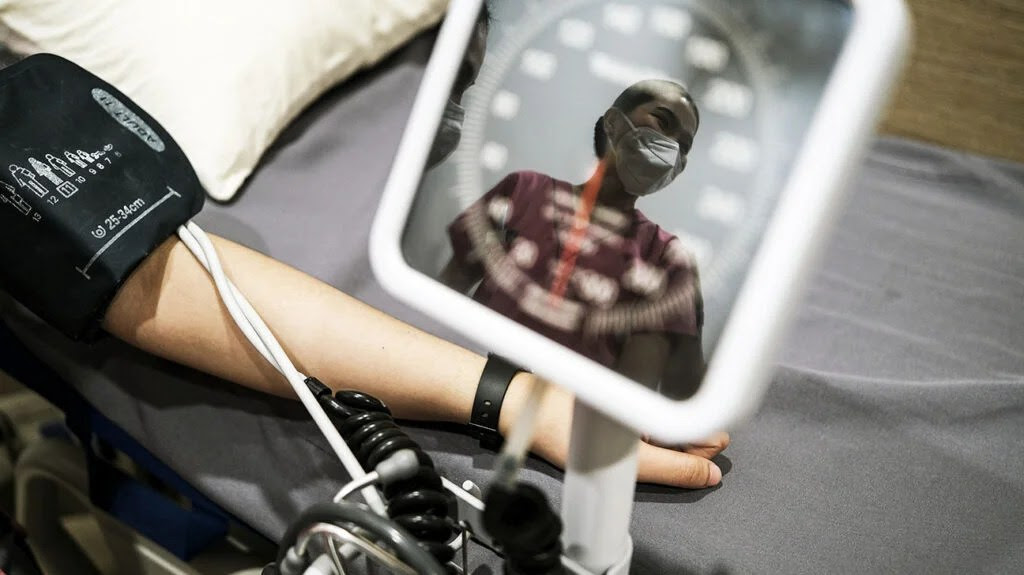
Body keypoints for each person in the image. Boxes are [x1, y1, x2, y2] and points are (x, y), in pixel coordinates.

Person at [13, 6, 728, 489]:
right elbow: (145, 271)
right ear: (608, 126)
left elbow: (662, 375)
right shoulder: (527, 192)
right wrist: (519, 402)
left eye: (676, 141)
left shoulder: (670, 259)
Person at [441, 79, 706, 395]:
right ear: (613, 122)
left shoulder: (663, 257)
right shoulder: (524, 191)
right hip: (461, 389)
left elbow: (634, 395)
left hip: (560, 425)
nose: (671, 146)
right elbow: (445, 297)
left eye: (684, 145)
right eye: (662, 122)